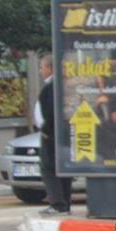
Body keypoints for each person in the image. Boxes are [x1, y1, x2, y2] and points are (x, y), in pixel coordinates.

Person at [34, 53, 70, 212]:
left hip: (51, 136)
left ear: (49, 68)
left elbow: (50, 113)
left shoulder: (51, 87)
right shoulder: (62, 85)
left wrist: (46, 131)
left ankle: (57, 204)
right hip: (60, 135)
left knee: (49, 168)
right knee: (62, 168)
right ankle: (64, 203)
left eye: (41, 67)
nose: (40, 71)